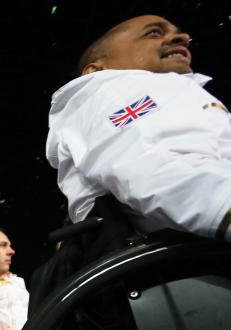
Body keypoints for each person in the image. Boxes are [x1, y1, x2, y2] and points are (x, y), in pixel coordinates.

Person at [47, 14, 231, 240]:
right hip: (188, 260)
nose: (183, 38)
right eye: (154, 32)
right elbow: (157, 170)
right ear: (97, 70)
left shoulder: (161, 92)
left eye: (178, 33)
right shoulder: (113, 89)